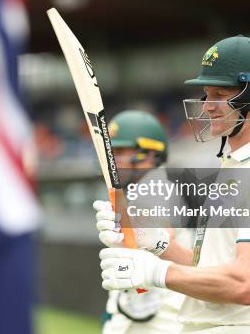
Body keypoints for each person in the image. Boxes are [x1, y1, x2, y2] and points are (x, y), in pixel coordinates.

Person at [98, 36, 250, 333]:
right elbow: (206, 267)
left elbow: (245, 283)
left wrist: (156, 272)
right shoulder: (235, 169)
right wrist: (152, 240)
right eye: (206, 94)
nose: (207, 106)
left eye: (219, 93)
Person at [93, 110, 186, 334]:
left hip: (157, 323)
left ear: (150, 153)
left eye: (121, 151)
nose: (112, 159)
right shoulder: (138, 190)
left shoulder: (158, 188)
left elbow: (162, 232)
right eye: (111, 151)